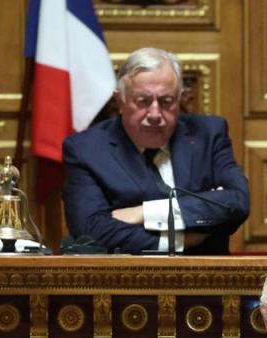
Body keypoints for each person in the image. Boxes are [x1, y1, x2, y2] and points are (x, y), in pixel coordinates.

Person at [62, 47, 249, 254]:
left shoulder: (209, 134)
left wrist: (145, 213)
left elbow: (237, 202)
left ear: (179, 100)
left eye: (166, 101)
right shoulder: (86, 149)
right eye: (143, 101)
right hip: (128, 281)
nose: (154, 113)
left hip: (207, 279)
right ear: (120, 101)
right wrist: (180, 240)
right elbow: (90, 230)